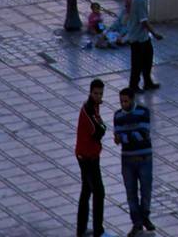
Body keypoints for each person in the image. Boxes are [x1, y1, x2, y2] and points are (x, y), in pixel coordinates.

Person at [113, 85, 153, 235]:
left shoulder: (143, 112)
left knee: (146, 190)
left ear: (132, 100)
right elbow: (118, 136)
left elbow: (143, 133)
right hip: (127, 160)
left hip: (144, 157)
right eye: (121, 101)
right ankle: (137, 222)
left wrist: (124, 138)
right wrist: (125, 138)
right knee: (131, 192)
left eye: (126, 101)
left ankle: (145, 217)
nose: (123, 104)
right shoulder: (118, 116)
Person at [75, 79, 108, 237]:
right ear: (90, 92)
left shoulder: (94, 107)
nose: (98, 96)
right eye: (96, 93)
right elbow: (98, 130)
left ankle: (81, 229)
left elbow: (101, 127)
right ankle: (97, 230)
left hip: (89, 154)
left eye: (101, 93)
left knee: (86, 190)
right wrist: (102, 127)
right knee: (99, 192)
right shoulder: (88, 109)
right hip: (87, 157)